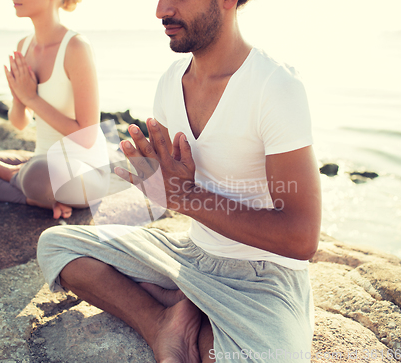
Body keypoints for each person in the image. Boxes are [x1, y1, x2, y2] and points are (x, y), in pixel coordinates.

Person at [37, 0, 322, 361]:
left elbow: (301, 238)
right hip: (190, 256)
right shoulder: (171, 81)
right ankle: (161, 323)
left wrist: (186, 198)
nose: (161, 11)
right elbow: (169, 188)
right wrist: (152, 186)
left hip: (263, 278)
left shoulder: (275, 86)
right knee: (56, 245)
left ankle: (185, 303)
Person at [0, 0, 110, 219]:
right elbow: (19, 122)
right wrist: (19, 99)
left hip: (83, 172)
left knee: (40, 171)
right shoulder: (24, 46)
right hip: (40, 162)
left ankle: (15, 176)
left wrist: (31, 98)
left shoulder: (76, 47)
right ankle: (33, 197)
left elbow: (87, 136)